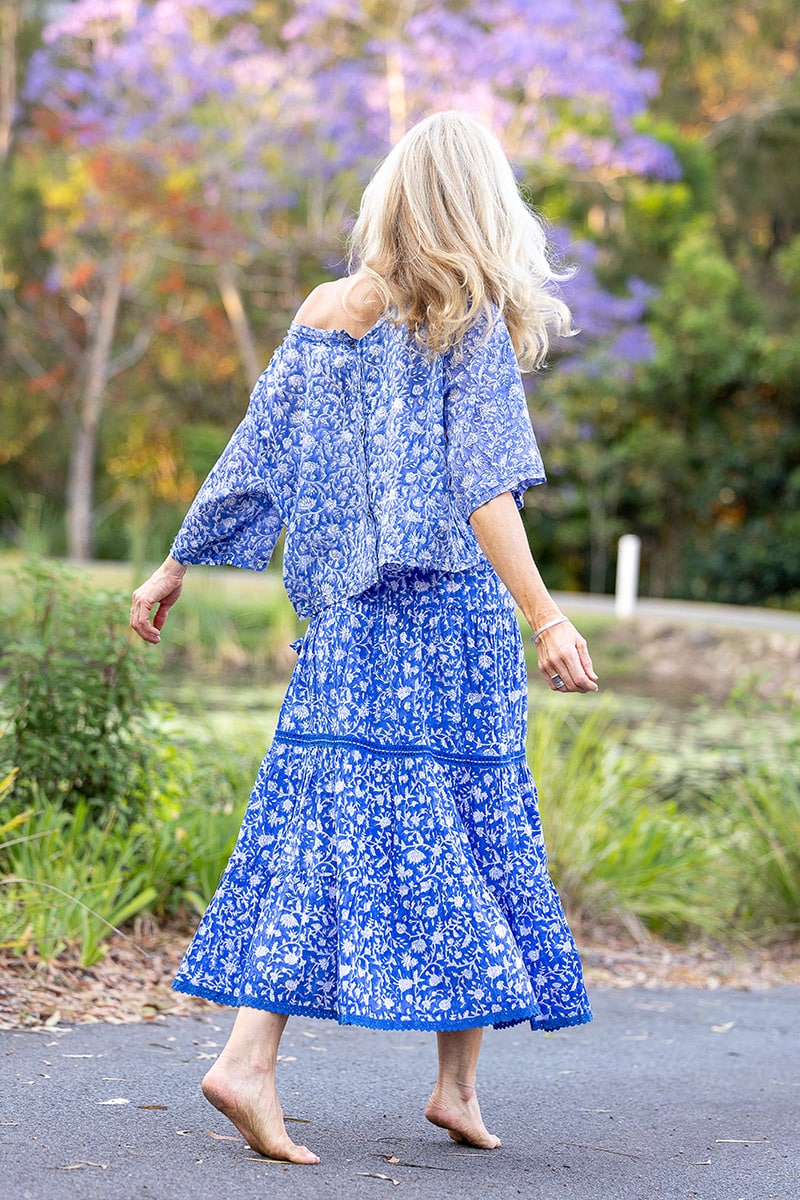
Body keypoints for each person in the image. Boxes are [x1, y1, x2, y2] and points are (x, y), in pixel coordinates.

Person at [130, 110, 598, 1166]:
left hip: (344, 629)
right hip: (447, 628)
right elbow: (485, 489)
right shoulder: (466, 325)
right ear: (480, 209)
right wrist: (547, 614)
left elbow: (254, 454)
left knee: (319, 831)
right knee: (470, 825)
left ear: (391, 198)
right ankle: (417, 1081)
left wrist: (175, 560)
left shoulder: (322, 311)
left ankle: (395, 1081)